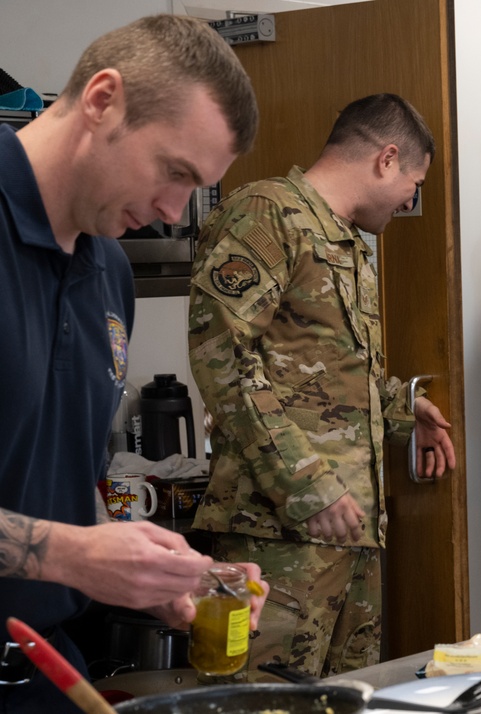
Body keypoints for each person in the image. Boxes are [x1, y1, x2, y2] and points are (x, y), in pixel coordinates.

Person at [0, 15, 266, 711]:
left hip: (49, 675)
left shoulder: (109, 270)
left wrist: (151, 574)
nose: (173, 210)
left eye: (195, 187)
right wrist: (67, 555)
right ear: (102, 100)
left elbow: (54, 487)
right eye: (173, 172)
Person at [188, 92, 456, 680]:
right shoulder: (267, 214)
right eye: (414, 181)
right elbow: (224, 360)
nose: (413, 198)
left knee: (346, 694)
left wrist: (404, 410)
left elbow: (325, 373)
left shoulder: (347, 241)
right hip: (276, 533)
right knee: (267, 698)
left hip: (350, 527)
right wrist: (306, 483)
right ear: (386, 159)